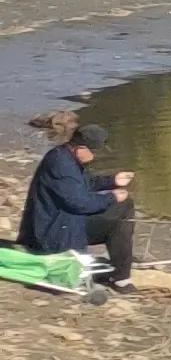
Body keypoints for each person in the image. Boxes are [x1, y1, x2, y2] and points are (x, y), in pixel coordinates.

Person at [17, 114, 141, 282]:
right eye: (94, 152)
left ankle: (119, 267)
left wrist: (112, 181)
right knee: (121, 212)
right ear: (81, 148)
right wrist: (111, 198)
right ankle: (120, 275)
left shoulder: (65, 156)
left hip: (62, 223)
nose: (95, 157)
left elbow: (84, 183)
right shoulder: (61, 165)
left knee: (124, 207)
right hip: (52, 233)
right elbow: (79, 203)